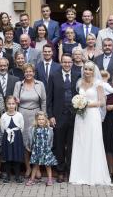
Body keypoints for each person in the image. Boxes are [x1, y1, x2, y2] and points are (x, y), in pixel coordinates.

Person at [69, 61, 112, 186]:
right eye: (85, 69)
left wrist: (85, 104)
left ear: (94, 71)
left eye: (89, 69)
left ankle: (94, 175)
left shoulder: (98, 84)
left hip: (93, 115)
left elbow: (102, 102)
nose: (87, 71)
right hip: (81, 117)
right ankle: (80, 174)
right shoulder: (79, 83)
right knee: (81, 142)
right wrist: (79, 104)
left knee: (93, 142)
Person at [47, 53, 80, 183]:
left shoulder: (77, 75)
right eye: (64, 62)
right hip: (58, 117)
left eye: (69, 62)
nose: (67, 64)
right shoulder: (54, 76)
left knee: (72, 145)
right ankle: (60, 171)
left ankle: (70, 171)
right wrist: (50, 116)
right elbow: (49, 98)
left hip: (74, 116)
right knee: (59, 145)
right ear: (61, 63)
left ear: (72, 63)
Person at [13, 63, 46, 179]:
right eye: (26, 71)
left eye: (30, 71)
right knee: (25, 142)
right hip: (22, 115)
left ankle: (36, 168)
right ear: (24, 73)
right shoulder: (18, 84)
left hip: (36, 116)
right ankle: (28, 167)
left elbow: (43, 102)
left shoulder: (40, 84)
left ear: (34, 73)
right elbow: (14, 100)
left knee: (36, 143)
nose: (28, 73)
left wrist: (44, 117)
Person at [25, 111, 57, 186]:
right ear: (36, 120)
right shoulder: (33, 129)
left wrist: (49, 148)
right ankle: (32, 179)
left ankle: (49, 179)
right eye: (39, 119)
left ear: (46, 120)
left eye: (42, 119)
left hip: (46, 150)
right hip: (36, 150)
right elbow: (29, 139)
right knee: (35, 165)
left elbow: (51, 140)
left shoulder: (49, 129)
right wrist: (28, 146)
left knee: (48, 165)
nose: (41, 121)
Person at [0, 96, 25, 184]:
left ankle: (17, 176)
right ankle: (7, 176)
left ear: (16, 104)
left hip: (17, 137)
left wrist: (14, 133)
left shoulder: (19, 115)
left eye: (13, 104)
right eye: (9, 104)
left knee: (16, 157)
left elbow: (21, 127)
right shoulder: (3, 116)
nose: (11, 106)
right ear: (6, 105)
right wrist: (8, 133)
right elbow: (2, 128)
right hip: (7, 138)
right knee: (8, 157)